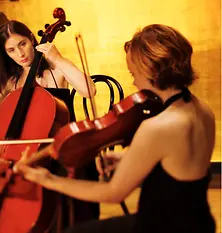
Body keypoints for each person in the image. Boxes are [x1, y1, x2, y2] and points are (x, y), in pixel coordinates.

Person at [14, 24, 216, 233]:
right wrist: (128, 159)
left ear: (150, 70)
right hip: (198, 223)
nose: (134, 82)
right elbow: (181, 167)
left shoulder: (156, 127)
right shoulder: (202, 110)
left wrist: (48, 180)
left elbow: (113, 193)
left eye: (133, 73)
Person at [0, 20, 98, 232]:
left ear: (32, 39)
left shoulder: (55, 71)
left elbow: (89, 90)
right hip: (21, 154)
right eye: (11, 50)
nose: (20, 54)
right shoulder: (12, 80)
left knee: (54, 181)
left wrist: (59, 59)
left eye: (22, 44)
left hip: (59, 150)